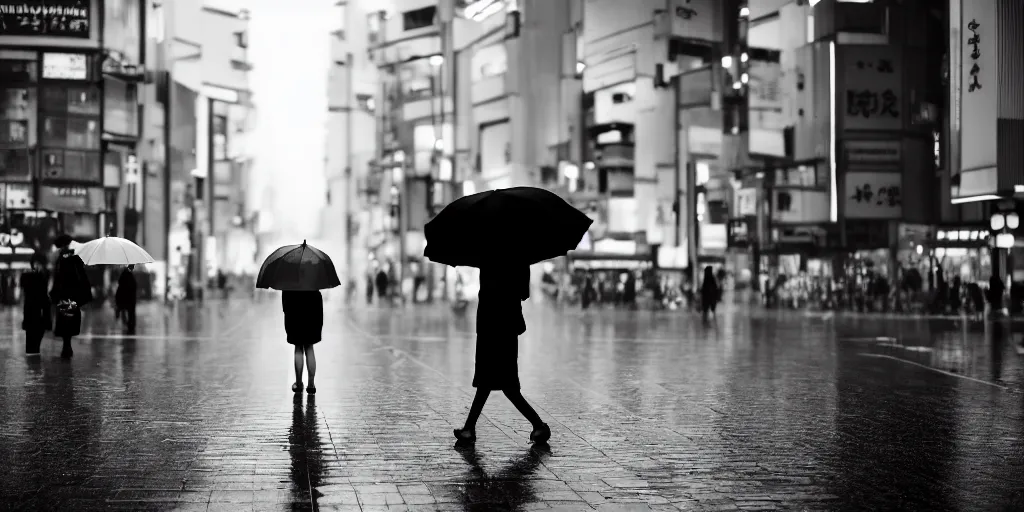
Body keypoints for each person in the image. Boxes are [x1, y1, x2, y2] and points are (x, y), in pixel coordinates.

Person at [454, 264, 550, 444]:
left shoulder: (499, 256)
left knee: (500, 382)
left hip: (498, 325)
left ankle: (538, 425)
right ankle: (470, 428)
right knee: (494, 381)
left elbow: (522, 293)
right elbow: (524, 293)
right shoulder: (514, 256)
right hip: (497, 325)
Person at [50, 234, 93, 358]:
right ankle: (67, 345)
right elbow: (82, 277)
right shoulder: (74, 258)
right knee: (68, 320)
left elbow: (58, 279)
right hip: (72, 296)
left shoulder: (62, 259)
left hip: (64, 295)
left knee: (65, 320)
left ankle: (66, 345)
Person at [283, 289, 323, 394]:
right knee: (309, 347)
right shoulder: (313, 275)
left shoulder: (288, 278)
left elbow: (285, 304)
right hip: (312, 310)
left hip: (294, 307)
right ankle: (311, 384)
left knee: (298, 347)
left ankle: (299, 383)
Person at [20, 252, 51, 355]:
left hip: (40, 312)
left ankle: (34, 362)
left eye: (39, 264)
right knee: (30, 344)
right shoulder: (28, 275)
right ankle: (32, 364)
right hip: (30, 312)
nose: (37, 266)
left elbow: (45, 295)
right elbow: (25, 288)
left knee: (36, 342)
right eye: (35, 263)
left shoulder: (45, 275)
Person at [115, 264, 138, 333]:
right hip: (130, 299)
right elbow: (134, 286)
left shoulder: (124, 274)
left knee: (125, 311)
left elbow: (120, 285)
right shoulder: (128, 275)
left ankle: (129, 325)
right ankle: (130, 326)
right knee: (131, 313)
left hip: (125, 298)